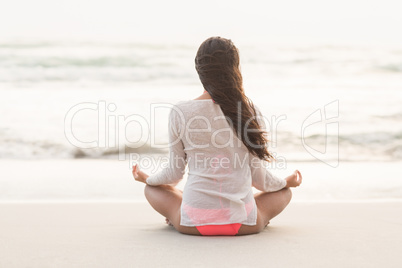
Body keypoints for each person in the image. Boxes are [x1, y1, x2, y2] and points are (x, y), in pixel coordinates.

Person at [132, 36, 302, 236]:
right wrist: (286, 182)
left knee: (152, 190)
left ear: (199, 71)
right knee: (283, 193)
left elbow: (174, 174)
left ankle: (180, 213)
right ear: (235, 69)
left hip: (192, 224)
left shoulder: (181, 111)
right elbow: (260, 180)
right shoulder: (249, 111)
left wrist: (148, 179)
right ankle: (257, 218)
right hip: (244, 224)